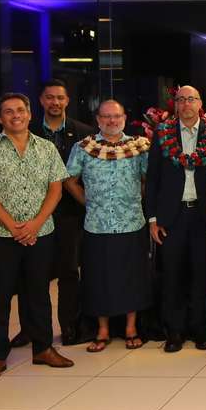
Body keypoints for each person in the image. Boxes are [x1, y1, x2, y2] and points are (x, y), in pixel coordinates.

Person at [0, 92, 74, 383]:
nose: (16, 116)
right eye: (9, 111)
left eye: (20, 110)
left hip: (40, 233)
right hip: (0, 234)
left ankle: (43, 348)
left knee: (38, 292)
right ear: (0, 118)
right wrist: (13, 226)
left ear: (29, 114)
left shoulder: (46, 148)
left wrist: (35, 224)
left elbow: (56, 190)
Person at [63, 99, 153, 352]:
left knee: (132, 276)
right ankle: (102, 330)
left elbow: (148, 179)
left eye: (116, 116)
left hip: (131, 222)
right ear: (98, 119)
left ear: (124, 118)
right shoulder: (84, 147)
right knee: (97, 277)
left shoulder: (139, 146)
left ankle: (131, 328)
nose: (112, 121)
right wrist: (88, 202)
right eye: (106, 116)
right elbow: (69, 180)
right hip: (97, 224)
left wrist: (136, 199)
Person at [145, 86, 206, 352]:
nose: (186, 104)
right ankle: (175, 332)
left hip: (205, 216)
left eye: (191, 99)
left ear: (200, 103)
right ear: (175, 105)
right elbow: (152, 178)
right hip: (171, 217)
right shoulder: (162, 133)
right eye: (181, 100)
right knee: (172, 276)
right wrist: (153, 218)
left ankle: (200, 329)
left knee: (202, 275)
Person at [29, 79, 93, 346]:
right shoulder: (28, 130)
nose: (55, 102)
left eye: (60, 98)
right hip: (33, 213)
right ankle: (31, 329)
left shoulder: (84, 132)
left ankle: (69, 326)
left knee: (68, 272)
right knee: (33, 274)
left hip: (69, 213)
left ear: (67, 101)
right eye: (49, 97)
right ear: (41, 100)